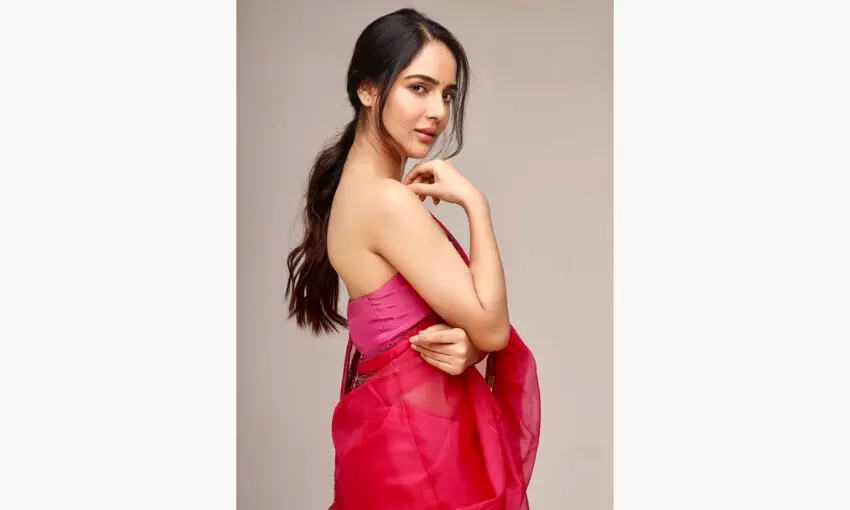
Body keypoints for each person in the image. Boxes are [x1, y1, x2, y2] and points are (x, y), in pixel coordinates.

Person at [285, 8, 541, 509]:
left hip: (404, 442)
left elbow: (413, 334)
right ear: (368, 89)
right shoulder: (385, 201)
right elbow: (493, 328)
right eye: (419, 88)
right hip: (418, 453)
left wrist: (469, 346)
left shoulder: (359, 192)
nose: (438, 111)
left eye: (447, 94)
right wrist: (476, 205)